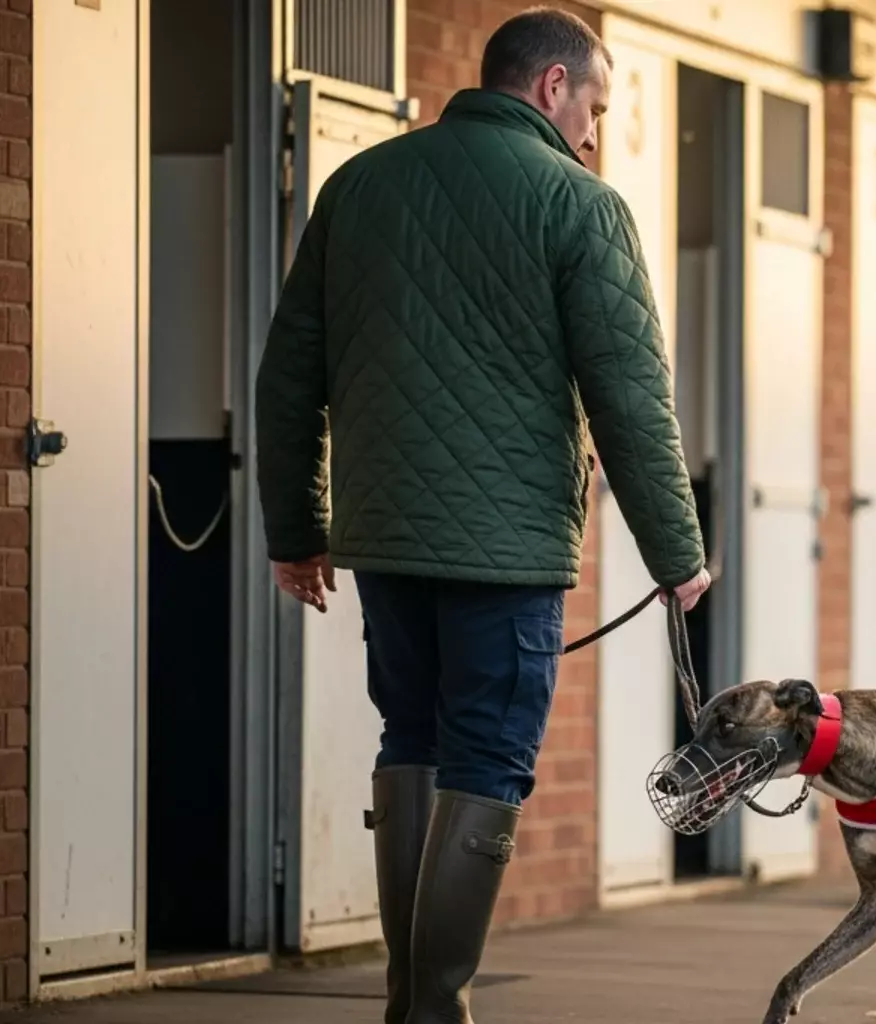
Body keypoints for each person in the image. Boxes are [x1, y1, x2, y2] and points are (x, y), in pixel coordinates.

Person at [254, 8, 710, 1022]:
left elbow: (290, 374)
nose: (595, 131)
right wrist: (678, 552)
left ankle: (414, 996)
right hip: (505, 550)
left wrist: (297, 527)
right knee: (490, 757)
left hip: (386, 538)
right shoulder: (579, 205)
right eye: (595, 104)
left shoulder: (359, 184)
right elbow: (629, 395)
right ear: (553, 86)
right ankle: (432, 1003)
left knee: (408, 732)